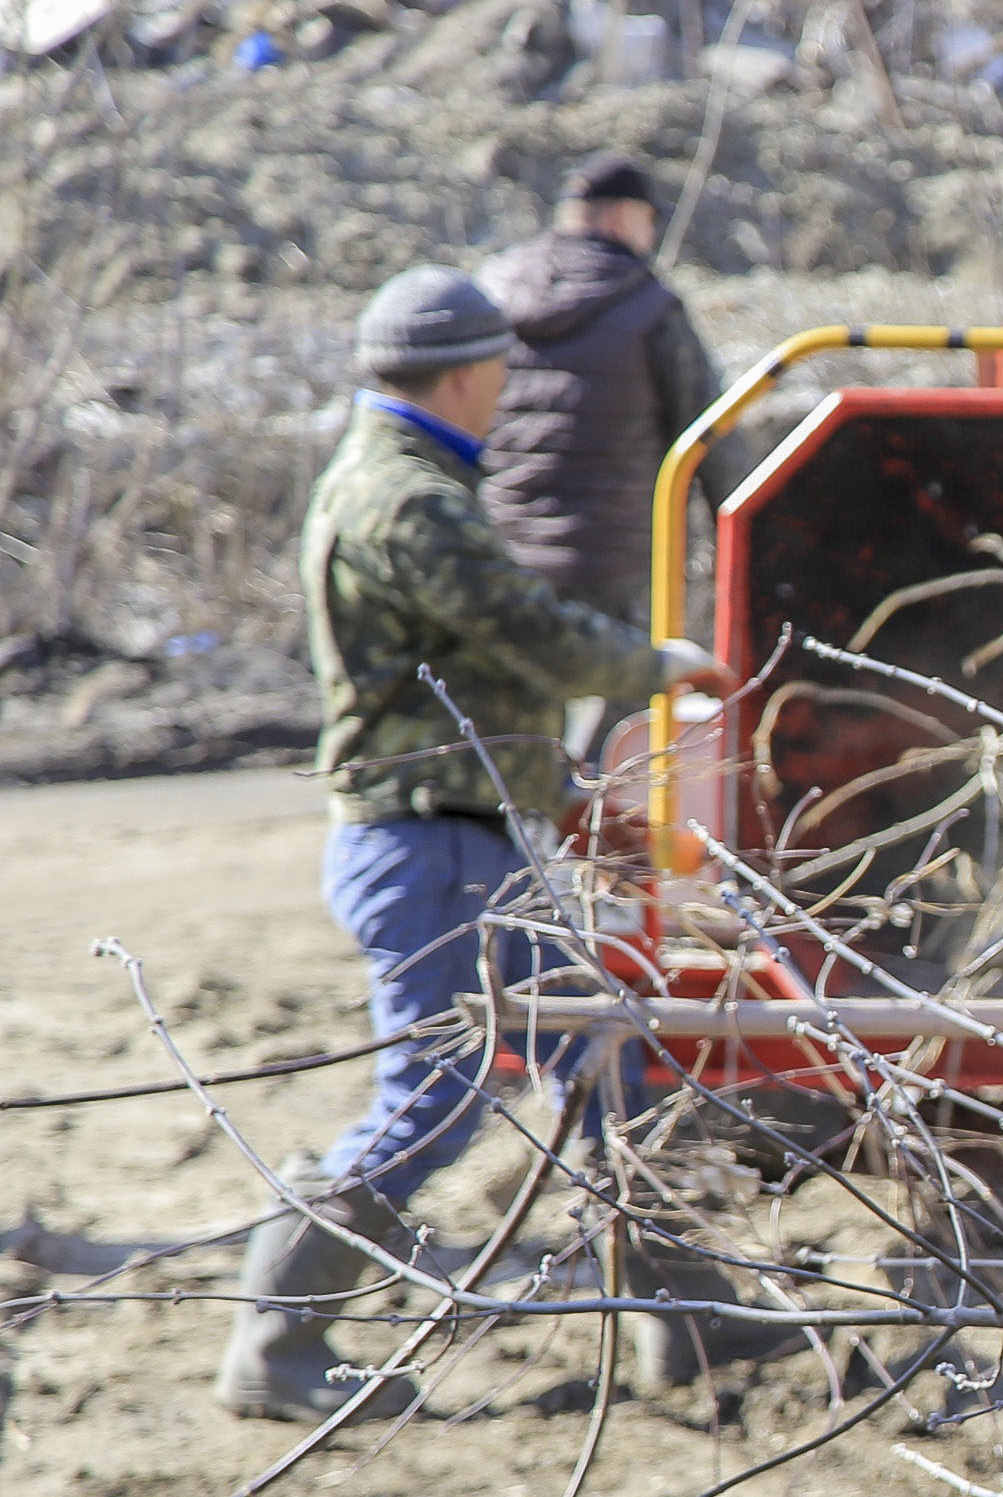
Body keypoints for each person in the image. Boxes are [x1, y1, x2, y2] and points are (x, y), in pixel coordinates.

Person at [216, 266, 736, 1424]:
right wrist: (659, 666)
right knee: (439, 1095)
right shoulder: (409, 498)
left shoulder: (407, 479)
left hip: (462, 839)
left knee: (600, 1050)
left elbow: (482, 674)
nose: (508, 388)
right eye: (503, 369)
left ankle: (690, 1311)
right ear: (464, 374)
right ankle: (279, 1340)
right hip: (431, 848)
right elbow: (529, 634)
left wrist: (567, 798)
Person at [480, 151, 752, 627]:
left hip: (502, 557)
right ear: (624, 216)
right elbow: (711, 436)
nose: (651, 237)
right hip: (612, 569)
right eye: (650, 221)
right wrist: (751, 547)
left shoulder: (491, 292)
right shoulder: (648, 305)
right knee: (621, 675)